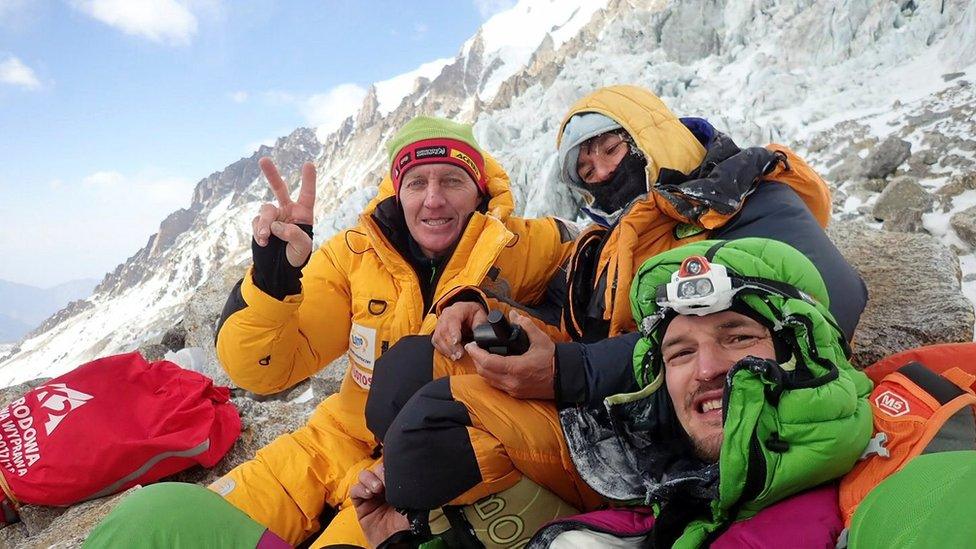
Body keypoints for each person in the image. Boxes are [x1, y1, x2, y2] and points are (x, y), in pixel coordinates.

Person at [360, 85, 868, 543]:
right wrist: (480, 308)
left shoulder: (748, 197)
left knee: (425, 441)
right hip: (610, 398)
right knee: (403, 371)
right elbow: (561, 311)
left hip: (666, 415)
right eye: (585, 169)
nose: (602, 172)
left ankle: (544, 525)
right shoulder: (610, 241)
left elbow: (831, 301)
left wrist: (568, 372)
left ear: (652, 135)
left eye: (612, 148)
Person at [357, 238, 874, 547]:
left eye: (738, 337)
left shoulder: (881, 484)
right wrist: (397, 540)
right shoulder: (657, 506)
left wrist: (569, 369)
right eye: (680, 353)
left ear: (802, 348)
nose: (708, 368)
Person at [209, 116, 574, 547]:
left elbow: (598, 301)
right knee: (201, 524)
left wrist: (502, 314)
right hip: (335, 440)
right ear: (397, 191)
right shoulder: (354, 255)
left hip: (420, 470)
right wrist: (273, 279)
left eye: (452, 181)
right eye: (417, 182)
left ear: (479, 190)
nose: (433, 200)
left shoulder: (527, 246)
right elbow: (262, 371)